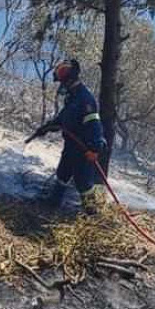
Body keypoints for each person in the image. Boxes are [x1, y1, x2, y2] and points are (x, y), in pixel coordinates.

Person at [31, 59, 107, 212]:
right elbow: (63, 118)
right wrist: (46, 127)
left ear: (70, 77)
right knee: (63, 173)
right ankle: (53, 203)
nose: (61, 84)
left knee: (83, 182)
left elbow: (94, 124)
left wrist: (94, 148)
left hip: (84, 148)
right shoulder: (72, 97)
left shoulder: (85, 99)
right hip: (71, 146)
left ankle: (92, 213)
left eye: (62, 78)